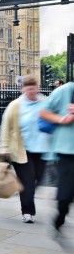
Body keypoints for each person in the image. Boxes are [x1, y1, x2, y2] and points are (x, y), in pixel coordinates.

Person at [0, 75, 51, 224]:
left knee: (38, 178)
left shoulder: (45, 102)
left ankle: (26, 194)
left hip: (41, 149)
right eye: (28, 90)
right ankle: (27, 212)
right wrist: (4, 147)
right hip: (21, 150)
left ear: (37, 88)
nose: (32, 92)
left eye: (34, 89)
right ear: (22, 89)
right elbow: (5, 127)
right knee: (27, 182)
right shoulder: (15, 105)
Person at [39, 81, 74, 234]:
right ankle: (60, 217)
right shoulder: (65, 91)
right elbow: (43, 112)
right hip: (66, 151)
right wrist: (61, 119)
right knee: (65, 196)